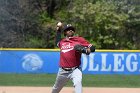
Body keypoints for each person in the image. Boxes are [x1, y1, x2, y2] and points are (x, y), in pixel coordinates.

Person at [51, 22, 95, 93]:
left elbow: (92, 47)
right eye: (68, 29)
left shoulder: (79, 40)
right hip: (63, 71)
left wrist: (87, 50)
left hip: (75, 69)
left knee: (78, 84)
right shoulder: (62, 42)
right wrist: (58, 30)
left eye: (72, 29)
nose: (70, 30)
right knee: (55, 89)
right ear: (65, 32)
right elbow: (57, 42)